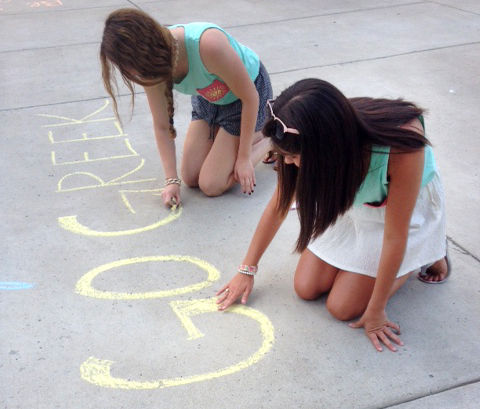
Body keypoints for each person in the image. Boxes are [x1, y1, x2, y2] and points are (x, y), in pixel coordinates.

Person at [217, 78, 450, 352]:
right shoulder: (302, 137)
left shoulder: (402, 147)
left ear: (327, 147)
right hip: (356, 203)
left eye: (294, 157)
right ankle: (391, 260)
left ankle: (425, 252)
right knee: (306, 287)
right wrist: (247, 269)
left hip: (399, 213)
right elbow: (277, 206)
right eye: (285, 156)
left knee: (342, 307)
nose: (289, 163)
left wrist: (376, 312)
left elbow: (394, 236)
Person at [100, 8, 273, 206]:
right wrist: (171, 181)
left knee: (211, 184)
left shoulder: (207, 44)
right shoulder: (147, 68)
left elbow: (250, 97)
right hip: (209, 99)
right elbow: (161, 125)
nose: (132, 72)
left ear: (145, 49)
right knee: (190, 177)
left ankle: (271, 137)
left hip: (245, 99)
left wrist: (243, 159)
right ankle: (228, 140)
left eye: (130, 65)